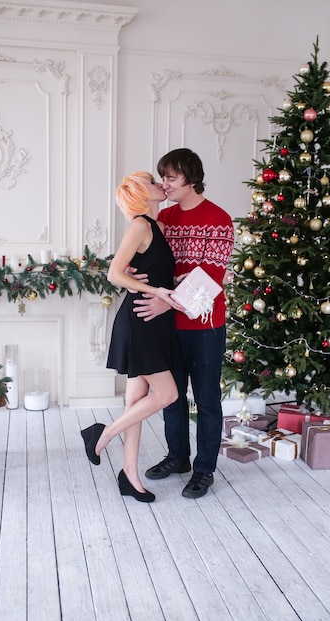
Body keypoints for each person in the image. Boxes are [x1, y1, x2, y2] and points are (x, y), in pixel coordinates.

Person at [133, 148, 234, 499]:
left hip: (205, 327)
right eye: (163, 177)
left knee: (207, 400)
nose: (165, 183)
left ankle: (204, 469)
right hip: (168, 327)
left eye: (171, 177)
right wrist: (138, 274)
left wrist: (165, 302)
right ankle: (178, 457)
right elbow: (154, 260)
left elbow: (210, 280)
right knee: (171, 396)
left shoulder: (219, 219)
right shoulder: (165, 217)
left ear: (192, 178)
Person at [81, 171, 182, 503]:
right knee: (167, 393)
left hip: (155, 321)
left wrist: (166, 292)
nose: (160, 186)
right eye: (154, 182)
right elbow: (114, 272)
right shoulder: (140, 224)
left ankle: (129, 474)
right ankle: (103, 434)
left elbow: (156, 272)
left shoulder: (159, 227)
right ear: (142, 192)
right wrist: (156, 290)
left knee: (136, 400)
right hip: (139, 320)